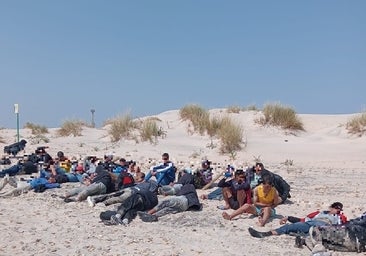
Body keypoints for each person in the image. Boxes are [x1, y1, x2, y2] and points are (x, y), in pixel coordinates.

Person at [248, 202, 347, 238]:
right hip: (310, 223)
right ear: (331, 208)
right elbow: (303, 219)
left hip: (324, 226)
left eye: (339, 209)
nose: (337, 210)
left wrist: (340, 216)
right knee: (289, 227)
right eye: (336, 208)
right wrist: (288, 218)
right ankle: (264, 234)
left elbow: (343, 226)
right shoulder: (319, 213)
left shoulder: (339, 217)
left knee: (313, 235)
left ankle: (302, 237)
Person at [138, 183, 202, 222]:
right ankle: (154, 216)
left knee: (165, 202)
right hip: (186, 206)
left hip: (183, 200)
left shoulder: (187, 186)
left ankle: (148, 213)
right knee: (167, 209)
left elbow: (178, 193)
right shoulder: (192, 191)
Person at [87, 172, 158, 207]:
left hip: (132, 190)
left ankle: (98, 201)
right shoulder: (146, 184)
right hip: (132, 190)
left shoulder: (148, 183)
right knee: (117, 197)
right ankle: (100, 202)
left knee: (116, 196)